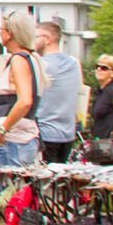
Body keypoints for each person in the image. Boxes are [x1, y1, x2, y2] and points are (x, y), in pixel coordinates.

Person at [0, 11, 44, 167]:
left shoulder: (18, 60)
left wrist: (2, 129)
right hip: (19, 138)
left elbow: (24, 101)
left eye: (2, 29)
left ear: (10, 34)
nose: (0, 33)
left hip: (14, 140)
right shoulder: (33, 59)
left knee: (9, 188)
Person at [33, 21, 83, 163]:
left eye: (36, 37)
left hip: (45, 133)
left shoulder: (41, 65)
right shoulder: (73, 64)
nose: (33, 42)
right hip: (68, 133)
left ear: (47, 39)